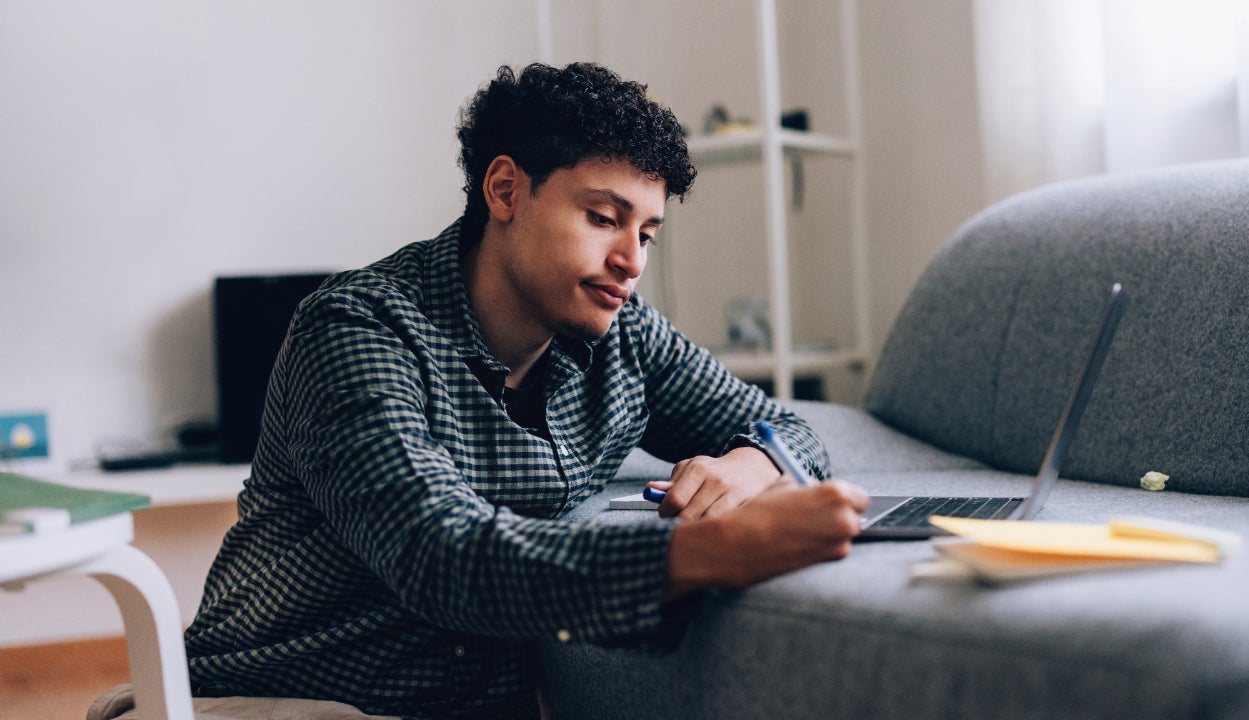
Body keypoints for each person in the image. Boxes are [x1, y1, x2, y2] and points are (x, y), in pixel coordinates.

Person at [182, 62, 869, 719]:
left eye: (648, 233)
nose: (632, 262)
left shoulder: (625, 337)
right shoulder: (358, 329)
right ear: (505, 190)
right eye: (603, 218)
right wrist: (718, 550)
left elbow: (784, 427)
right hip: (276, 700)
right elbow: (437, 556)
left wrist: (748, 465)